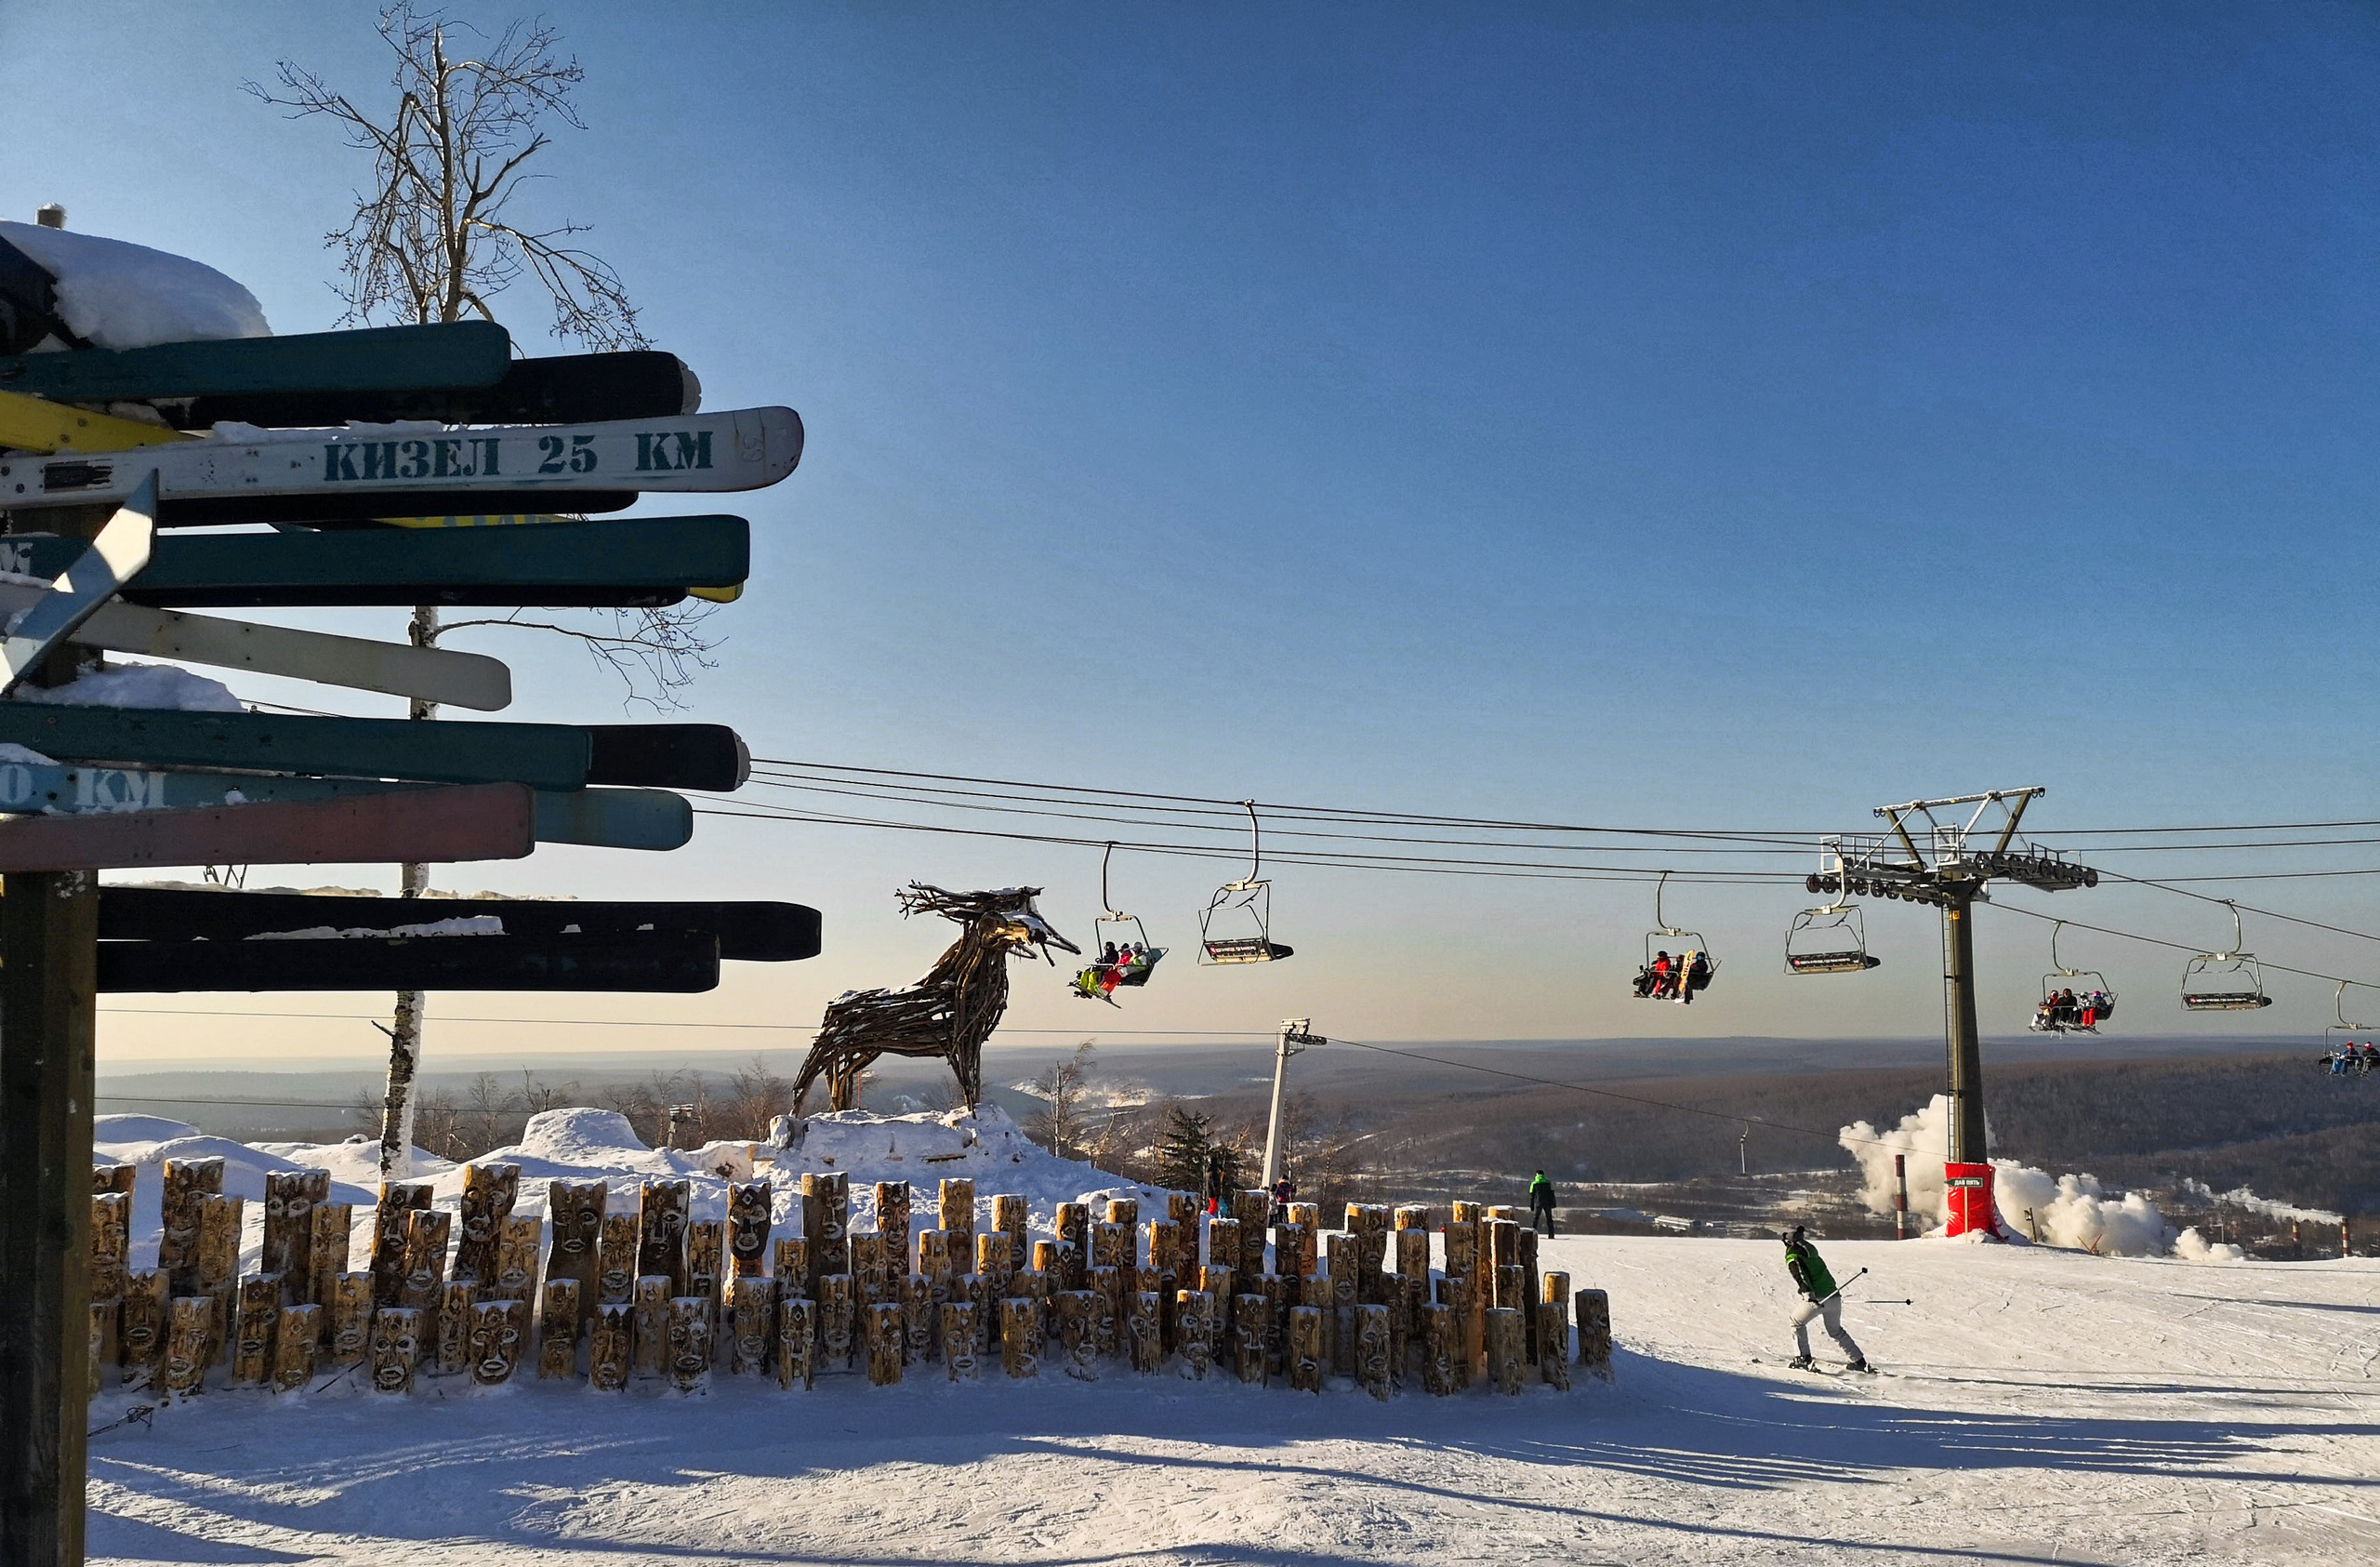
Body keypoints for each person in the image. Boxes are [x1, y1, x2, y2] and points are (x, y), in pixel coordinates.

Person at [1781, 1225, 1868, 1372]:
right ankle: (1858, 1361)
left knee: (1796, 1322)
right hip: (1834, 1295)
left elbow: (1799, 1275)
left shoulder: (1793, 1256)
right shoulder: (1814, 1254)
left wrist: (1808, 1293)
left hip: (1816, 1297)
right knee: (1836, 1331)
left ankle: (1802, 1358)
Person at [1527, 1169, 1556, 1237]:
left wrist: (1532, 1205)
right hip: (1547, 1203)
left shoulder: (1534, 1183)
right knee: (1549, 1219)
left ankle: (1533, 1234)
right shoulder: (1548, 1183)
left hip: (1538, 1203)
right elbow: (1552, 1194)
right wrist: (1553, 1203)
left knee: (1536, 1219)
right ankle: (1551, 1235)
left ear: (1536, 1174)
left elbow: (1532, 1195)